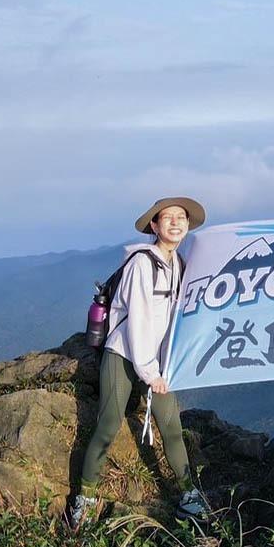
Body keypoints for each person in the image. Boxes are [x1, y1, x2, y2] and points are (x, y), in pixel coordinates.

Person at [69, 198, 209, 528]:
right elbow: (139, 323)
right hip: (125, 355)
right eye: (167, 218)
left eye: (181, 218)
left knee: (172, 427)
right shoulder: (141, 265)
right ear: (154, 227)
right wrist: (151, 373)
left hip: (157, 361)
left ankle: (189, 494)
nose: (176, 223)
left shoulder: (179, 264)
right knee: (107, 425)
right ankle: (84, 497)